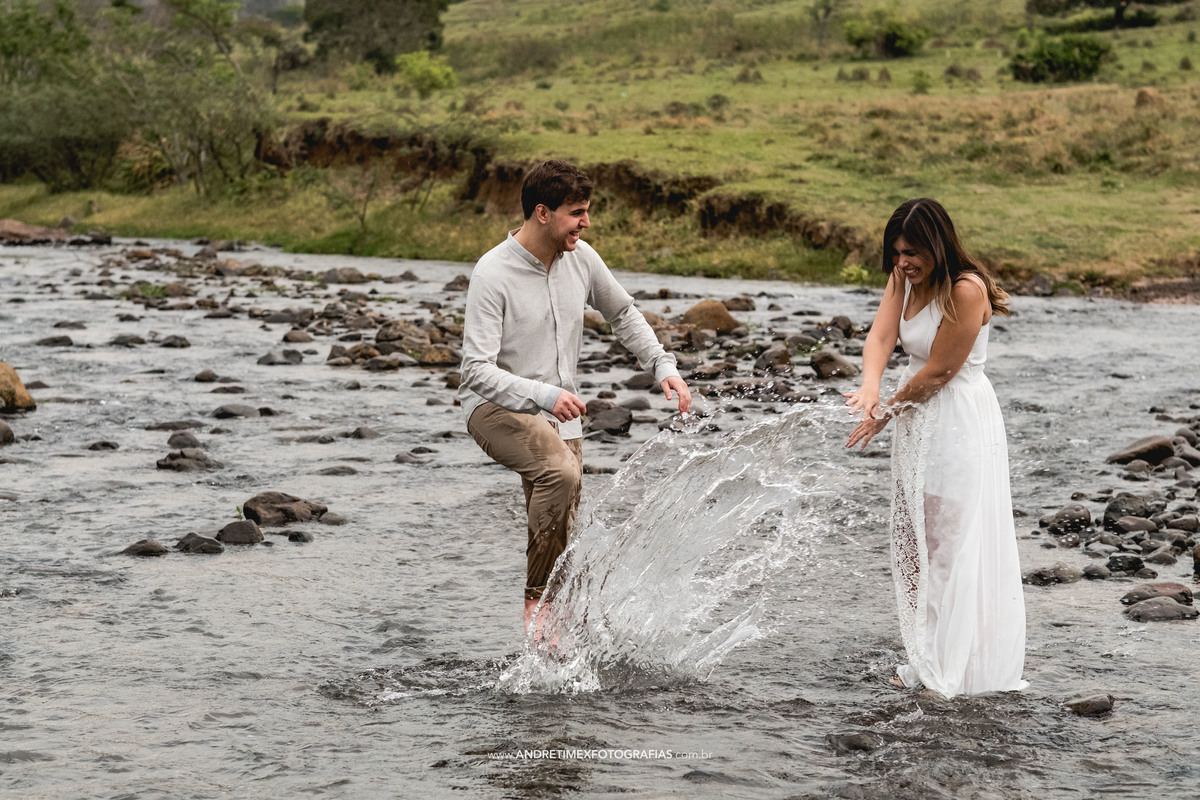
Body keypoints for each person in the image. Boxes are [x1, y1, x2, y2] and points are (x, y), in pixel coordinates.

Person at [459, 159, 692, 632]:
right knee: (560, 473)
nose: (586, 223)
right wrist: (543, 395)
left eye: (586, 211)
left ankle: (555, 646)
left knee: (562, 527)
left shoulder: (582, 258)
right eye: (577, 212)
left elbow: (622, 314)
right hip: (494, 408)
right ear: (542, 213)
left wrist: (662, 365)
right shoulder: (492, 273)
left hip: (562, 414)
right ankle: (535, 603)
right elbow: (475, 370)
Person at [843, 198, 1026, 697]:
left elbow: (941, 370)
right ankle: (924, 652)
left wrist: (884, 413)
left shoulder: (966, 289)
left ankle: (951, 668)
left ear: (938, 244)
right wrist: (870, 387)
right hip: (916, 413)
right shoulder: (904, 278)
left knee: (946, 542)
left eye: (913, 251)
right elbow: (881, 335)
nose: (903, 262)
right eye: (897, 252)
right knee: (913, 539)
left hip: (955, 416)